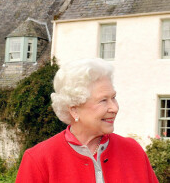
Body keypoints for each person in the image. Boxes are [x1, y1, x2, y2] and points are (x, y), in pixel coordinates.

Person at [15, 58, 158, 183]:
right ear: (74, 109)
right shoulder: (39, 159)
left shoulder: (133, 151)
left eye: (113, 97)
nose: (114, 108)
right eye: (103, 100)